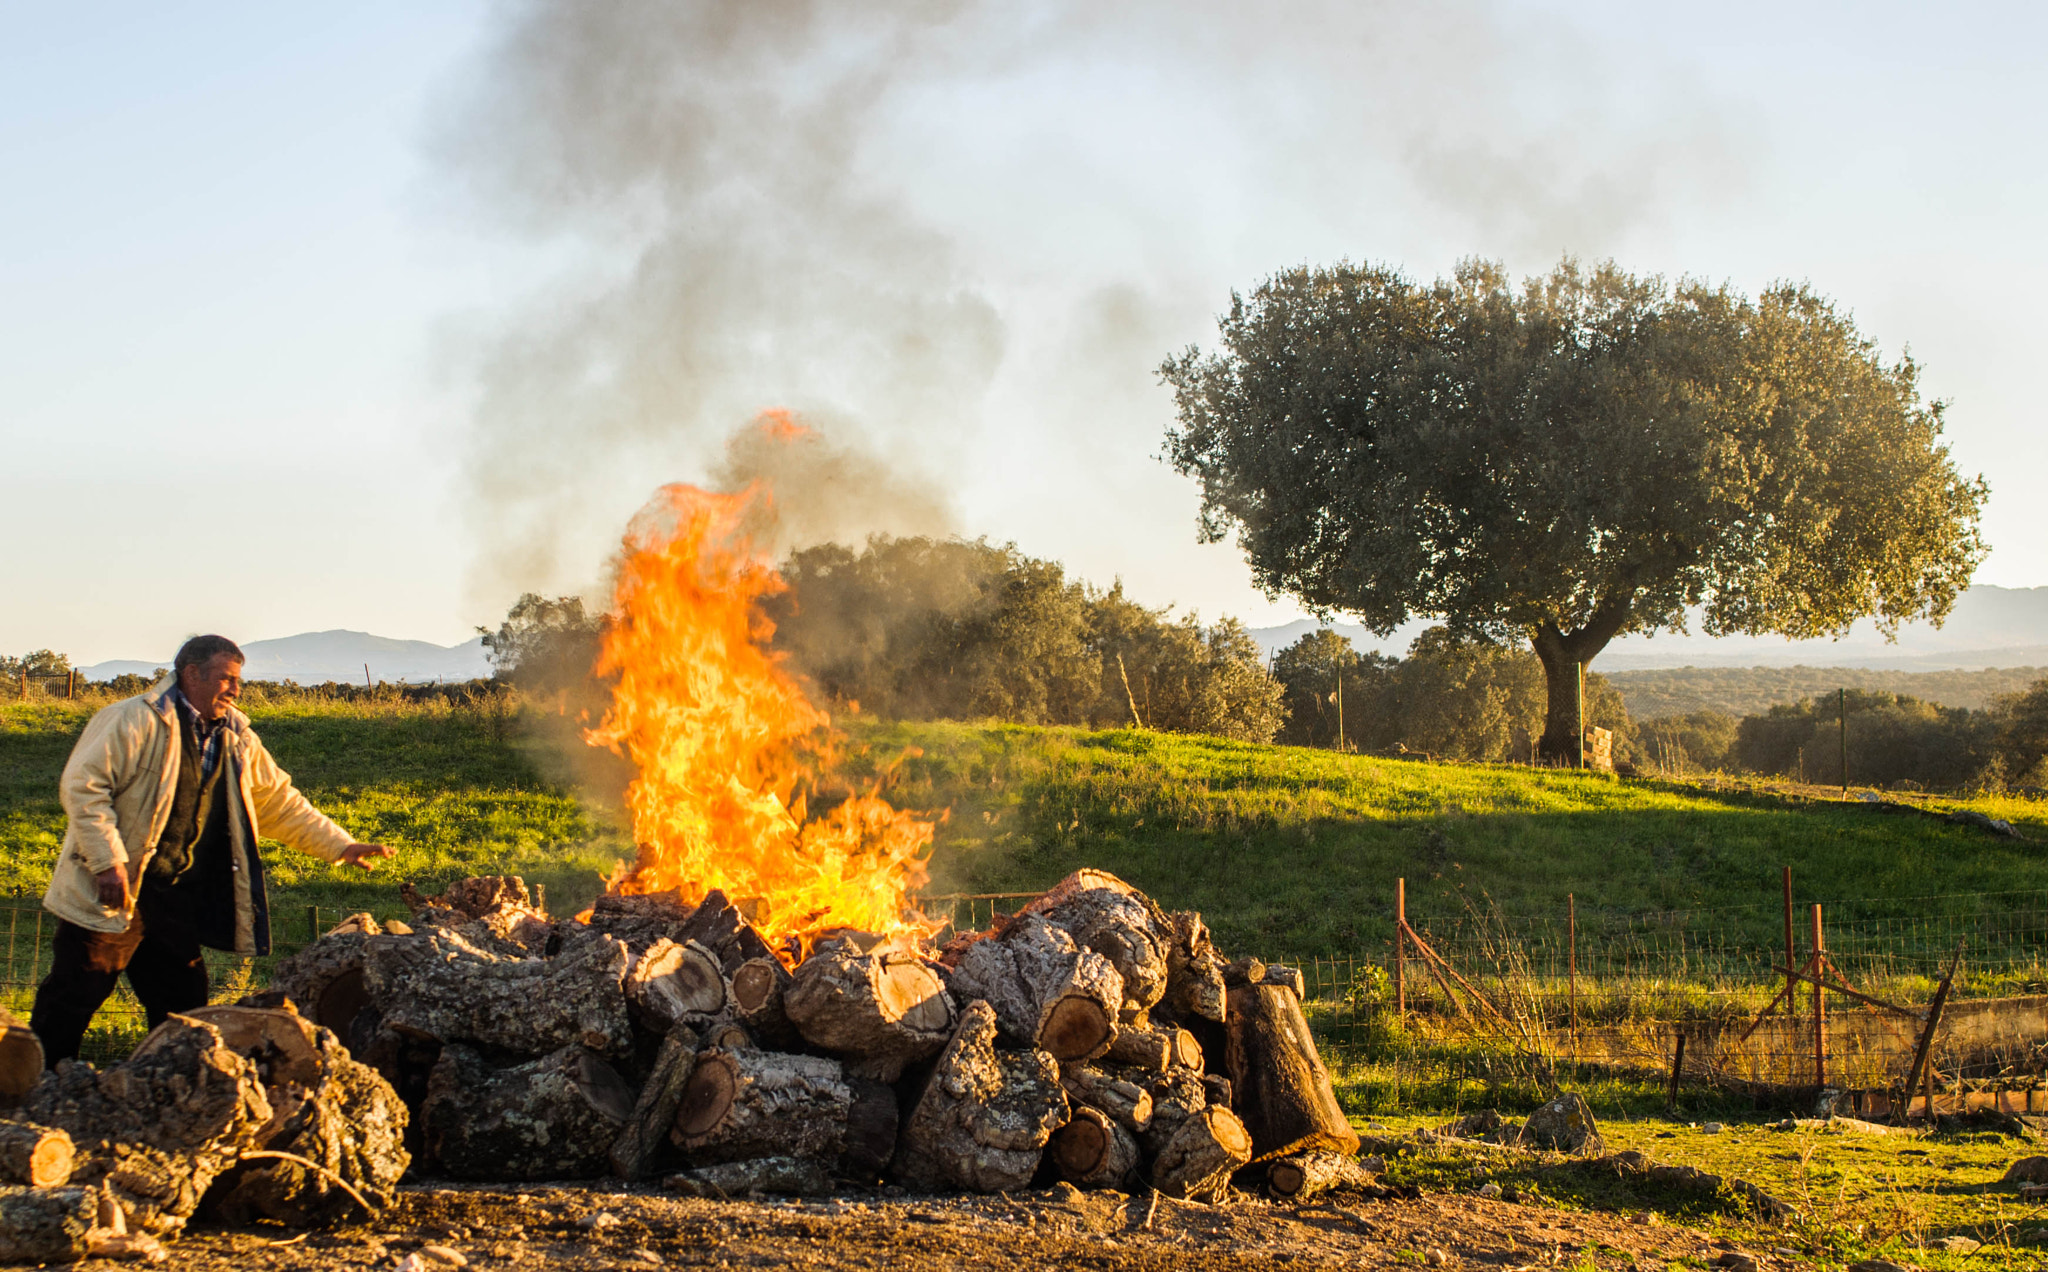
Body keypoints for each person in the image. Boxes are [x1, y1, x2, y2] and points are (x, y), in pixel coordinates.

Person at [30, 634, 395, 1063]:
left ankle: (170, 1094)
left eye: (237, 679)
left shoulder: (236, 735)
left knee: (183, 1009)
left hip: (173, 896)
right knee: (74, 996)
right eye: (226, 678)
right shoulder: (132, 720)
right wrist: (107, 862)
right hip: (112, 891)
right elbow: (84, 789)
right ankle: (32, 1094)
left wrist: (342, 845)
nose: (235, 689)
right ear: (191, 674)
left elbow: (278, 802)